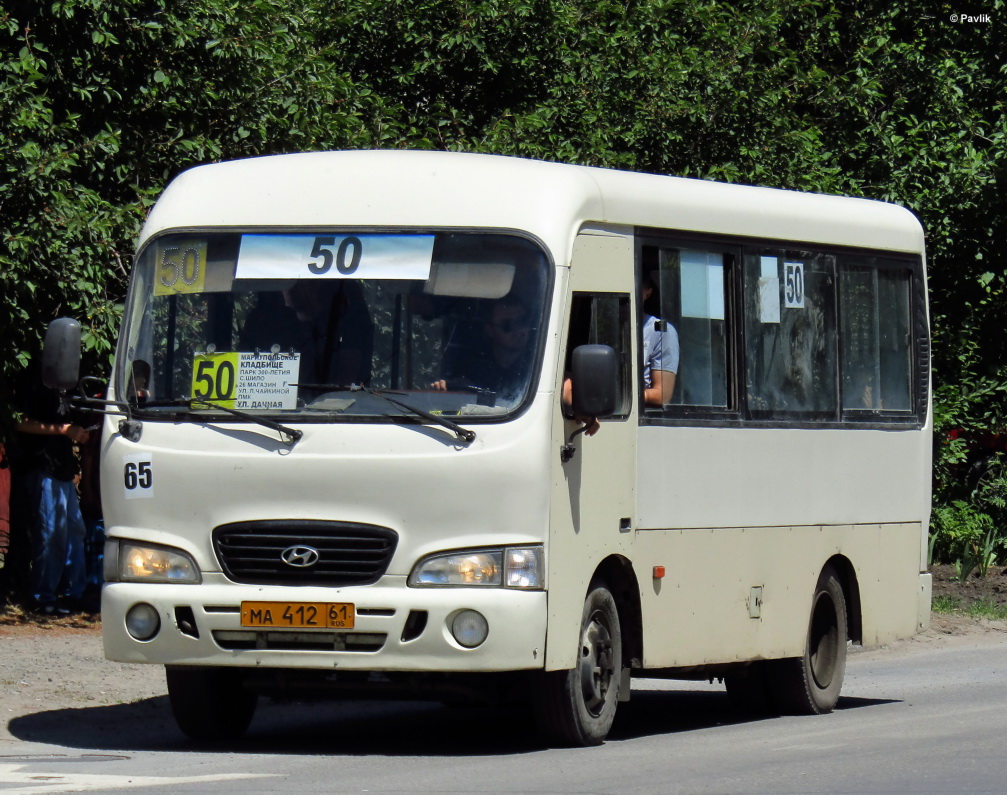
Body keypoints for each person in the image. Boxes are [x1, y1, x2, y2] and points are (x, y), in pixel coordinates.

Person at [14, 362, 89, 615]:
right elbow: (19, 421)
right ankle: (42, 596)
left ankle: (74, 593)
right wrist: (63, 430)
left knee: (75, 532)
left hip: (63, 468)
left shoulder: (69, 382)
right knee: (51, 534)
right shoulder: (36, 379)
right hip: (43, 466)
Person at [431, 296, 532, 404]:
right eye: (508, 325)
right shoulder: (471, 370)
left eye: (523, 321)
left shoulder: (537, 365)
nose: (519, 330)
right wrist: (442, 393)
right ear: (490, 330)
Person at [641, 274, 679, 407]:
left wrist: (634, 395)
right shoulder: (605, 326)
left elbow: (662, 395)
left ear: (648, 292)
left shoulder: (661, 331)